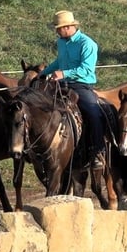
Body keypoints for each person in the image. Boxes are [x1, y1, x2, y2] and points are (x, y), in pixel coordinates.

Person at [40, 10, 106, 169]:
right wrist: (42, 73)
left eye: (58, 28)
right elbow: (60, 61)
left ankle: (98, 151)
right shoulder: (61, 42)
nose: (56, 31)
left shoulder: (87, 44)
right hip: (62, 84)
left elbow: (87, 70)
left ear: (68, 27)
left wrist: (64, 73)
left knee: (93, 111)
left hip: (81, 85)